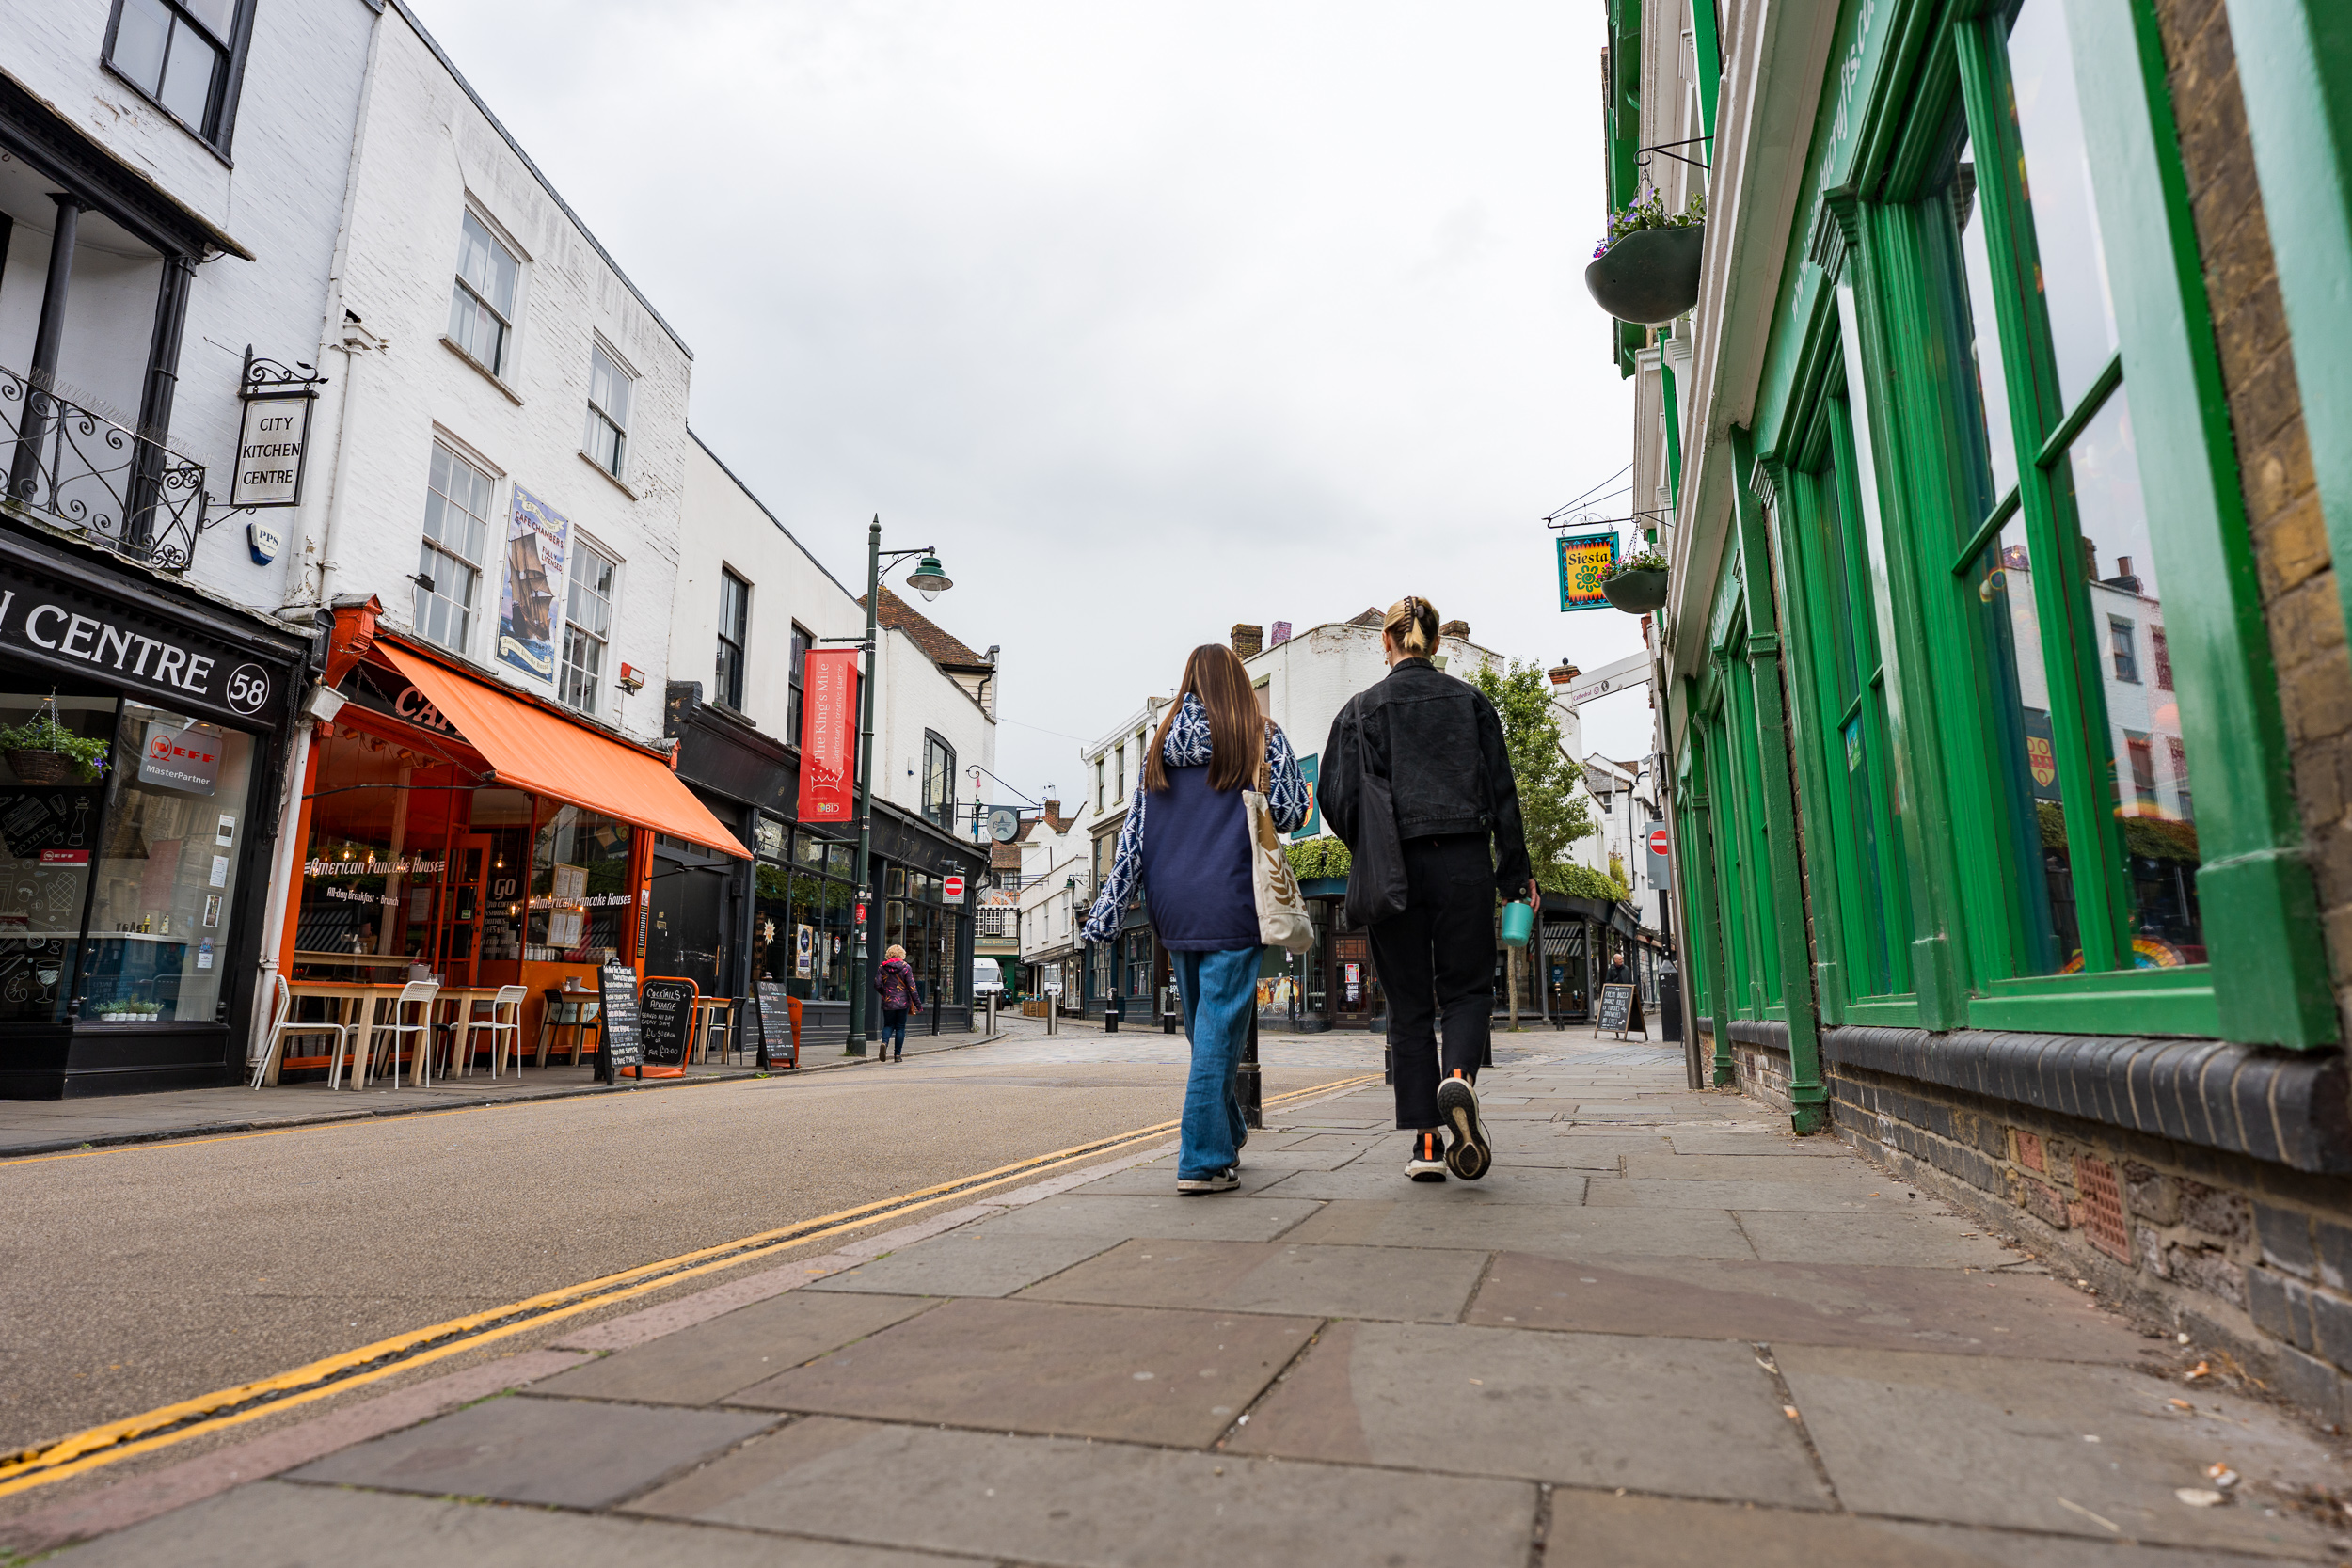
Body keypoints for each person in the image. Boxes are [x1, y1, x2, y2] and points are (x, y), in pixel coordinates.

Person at [1320, 594, 1535, 1183]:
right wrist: (1515, 876)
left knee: (1409, 1007)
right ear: (1436, 644)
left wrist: (1372, 842)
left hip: (1393, 866)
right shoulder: (1471, 703)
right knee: (1467, 990)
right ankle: (1459, 1081)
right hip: (1465, 859)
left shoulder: (1360, 710)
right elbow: (1503, 795)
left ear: (1385, 643)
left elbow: (1335, 800)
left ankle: (1428, 1147)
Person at [1083, 644, 1309, 1192]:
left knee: (1206, 1033)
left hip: (1173, 909)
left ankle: (1226, 1134)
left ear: (1189, 682)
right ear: (1237, 683)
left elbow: (1132, 841)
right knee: (1214, 1034)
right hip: (1233, 902)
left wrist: (1106, 914)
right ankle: (1201, 1160)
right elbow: (1286, 814)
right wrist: (1296, 792)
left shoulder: (1158, 746)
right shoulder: (1260, 736)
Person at [874, 943, 916, 1062]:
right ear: (902, 954)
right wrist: (917, 1003)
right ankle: (897, 1055)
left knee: (888, 1025)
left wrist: (885, 993)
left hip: (888, 1001)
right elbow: (912, 987)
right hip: (903, 1002)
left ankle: (884, 1043)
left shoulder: (882, 967)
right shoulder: (906, 967)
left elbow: (877, 984)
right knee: (900, 1027)